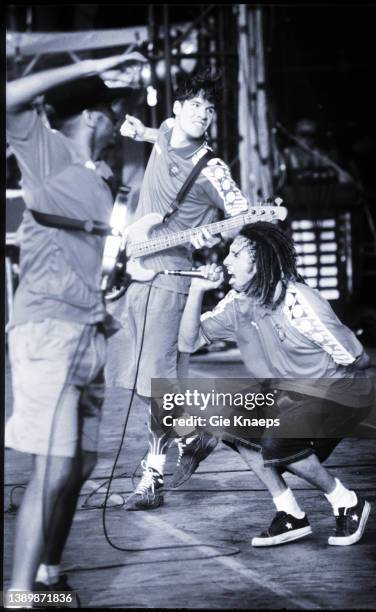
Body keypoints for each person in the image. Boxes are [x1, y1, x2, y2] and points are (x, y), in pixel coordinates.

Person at [5, 51, 145, 601]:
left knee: (79, 464)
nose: (117, 123)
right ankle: (19, 598)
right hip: (49, 332)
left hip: (87, 331)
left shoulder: (98, 180)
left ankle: (49, 579)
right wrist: (96, 64)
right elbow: (10, 95)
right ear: (91, 117)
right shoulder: (50, 153)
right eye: (111, 111)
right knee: (53, 470)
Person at [105, 67, 249, 511]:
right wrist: (139, 130)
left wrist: (216, 234)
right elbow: (160, 135)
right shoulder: (167, 129)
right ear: (177, 109)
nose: (204, 115)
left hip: (171, 280)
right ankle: (191, 435)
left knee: (158, 383)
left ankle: (153, 476)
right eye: (197, 106)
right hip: (139, 273)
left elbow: (242, 214)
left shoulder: (214, 169)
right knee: (136, 377)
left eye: (211, 110)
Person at [176, 222, 373, 546]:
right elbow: (190, 341)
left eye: (236, 254)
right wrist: (196, 291)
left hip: (341, 393)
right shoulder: (239, 302)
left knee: (278, 440)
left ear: (260, 261)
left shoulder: (300, 304)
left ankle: (348, 503)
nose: (226, 261)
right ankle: (290, 513)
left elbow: (359, 359)